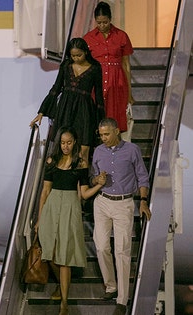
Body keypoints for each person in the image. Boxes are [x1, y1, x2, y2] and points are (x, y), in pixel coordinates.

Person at [35, 126, 106, 315]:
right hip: (51, 208)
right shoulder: (51, 161)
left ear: (74, 143)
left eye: (69, 142)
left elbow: (83, 194)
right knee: (49, 253)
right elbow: (45, 191)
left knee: (64, 257)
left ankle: (64, 303)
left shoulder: (80, 163)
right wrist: (39, 218)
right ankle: (60, 285)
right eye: (63, 143)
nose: (65, 146)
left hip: (70, 208)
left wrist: (98, 185)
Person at [91, 118, 152, 315]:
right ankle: (111, 286)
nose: (103, 138)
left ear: (117, 131)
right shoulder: (98, 151)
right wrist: (96, 179)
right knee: (101, 247)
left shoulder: (132, 150)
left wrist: (143, 200)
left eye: (106, 134)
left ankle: (122, 300)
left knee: (122, 252)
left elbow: (143, 176)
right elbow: (92, 176)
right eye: (101, 135)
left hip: (124, 203)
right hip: (102, 201)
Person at [30, 37, 104, 163]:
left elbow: (98, 95)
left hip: (84, 109)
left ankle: (82, 182)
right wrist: (42, 111)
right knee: (61, 147)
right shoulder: (66, 65)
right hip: (65, 108)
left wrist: (100, 121)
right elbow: (56, 88)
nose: (76, 58)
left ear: (86, 52)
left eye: (79, 55)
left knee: (83, 148)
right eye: (73, 56)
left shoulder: (95, 67)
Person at [83, 1, 134, 140]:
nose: (102, 26)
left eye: (105, 22)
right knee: (97, 115)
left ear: (110, 19)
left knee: (116, 116)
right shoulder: (88, 38)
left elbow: (126, 65)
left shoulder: (121, 36)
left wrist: (129, 92)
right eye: (99, 22)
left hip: (117, 81)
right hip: (97, 81)